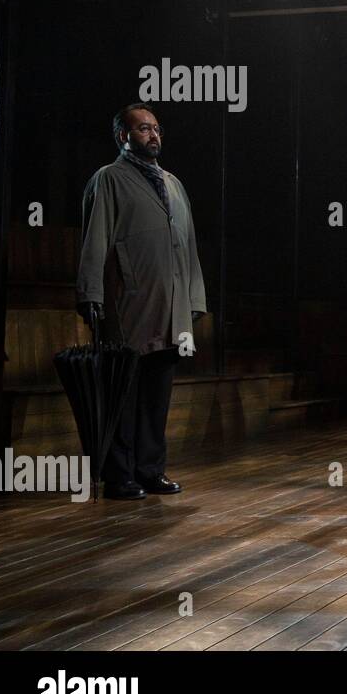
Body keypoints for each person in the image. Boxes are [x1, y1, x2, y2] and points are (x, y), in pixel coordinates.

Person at [75, 104, 206, 500]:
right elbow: (95, 239)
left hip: (170, 305)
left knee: (157, 394)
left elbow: (189, 245)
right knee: (124, 394)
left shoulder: (174, 183)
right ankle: (119, 475)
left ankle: (151, 469)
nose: (153, 135)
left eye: (156, 128)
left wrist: (194, 297)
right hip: (130, 301)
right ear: (123, 136)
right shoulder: (108, 179)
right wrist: (91, 294)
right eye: (143, 128)